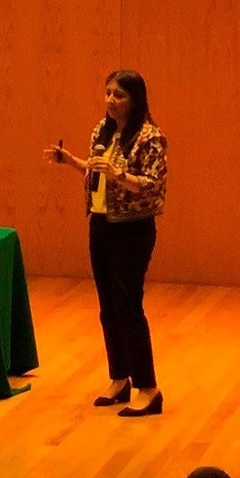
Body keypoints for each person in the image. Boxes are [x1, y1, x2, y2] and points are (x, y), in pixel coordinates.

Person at [44, 69, 167, 417]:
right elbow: (97, 172)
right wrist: (72, 162)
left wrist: (119, 175)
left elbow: (152, 184)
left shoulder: (150, 137)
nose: (111, 100)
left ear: (135, 99)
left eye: (119, 95)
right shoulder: (103, 130)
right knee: (108, 306)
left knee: (129, 307)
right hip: (100, 223)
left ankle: (149, 387)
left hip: (132, 229)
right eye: (108, 93)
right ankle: (119, 377)